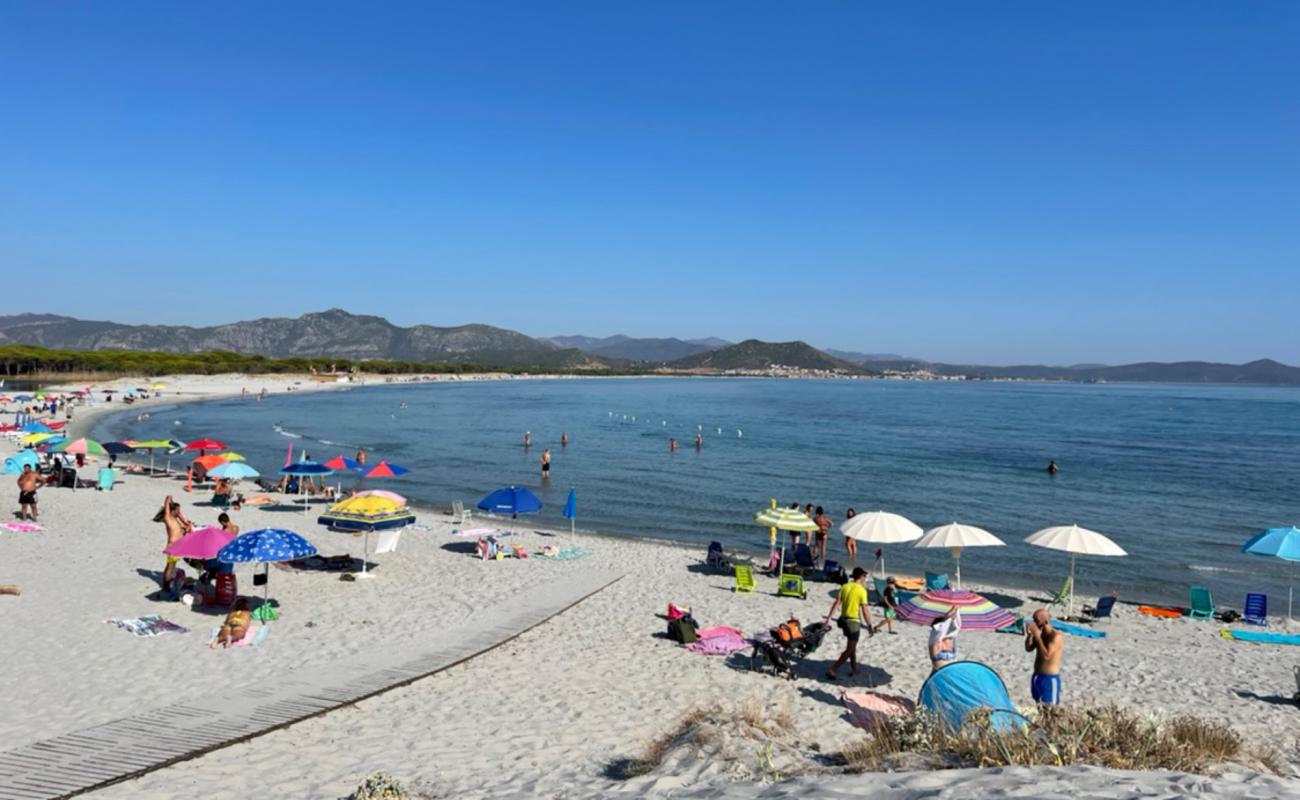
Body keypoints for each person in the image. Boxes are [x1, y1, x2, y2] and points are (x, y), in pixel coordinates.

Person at [825, 567, 873, 680]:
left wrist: (829, 617)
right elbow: (865, 610)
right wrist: (870, 625)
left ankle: (854, 668)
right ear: (861, 577)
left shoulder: (845, 587)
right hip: (853, 622)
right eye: (864, 577)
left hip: (843, 620)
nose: (865, 579)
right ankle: (833, 669)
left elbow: (837, 603)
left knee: (852, 646)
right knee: (850, 649)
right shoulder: (862, 591)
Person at [1024, 608, 1064, 705]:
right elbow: (1029, 648)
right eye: (1033, 620)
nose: (1034, 623)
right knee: (1039, 704)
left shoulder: (1055, 636)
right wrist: (1030, 636)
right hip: (1037, 676)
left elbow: (1047, 656)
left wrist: (1037, 637)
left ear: (1045, 622)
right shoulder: (1041, 635)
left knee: (1051, 708)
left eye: (1036, 620)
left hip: (1049, 678)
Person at [156, 495, 192, 587]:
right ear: (172, 511)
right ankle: (165, 585)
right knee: (170, 566)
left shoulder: (176, 520)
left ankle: (168, 582)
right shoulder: (168, 519)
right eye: (177, 510)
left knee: (172, 565)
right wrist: (169, 499)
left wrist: (186, 530)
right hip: (173, 545)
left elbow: (180, 531)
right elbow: (167, 503)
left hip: (178, 545)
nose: (179, 512)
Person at [928, 606, 961, 672]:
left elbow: (957, 626)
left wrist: (956, 610)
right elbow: (940, 630)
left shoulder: (949, 639)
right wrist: (949, 615)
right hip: (939, 675)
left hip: (952, 675)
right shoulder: (934, 639)